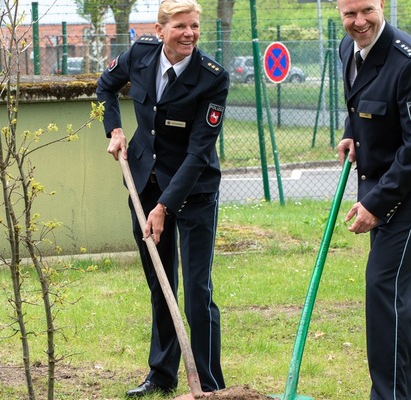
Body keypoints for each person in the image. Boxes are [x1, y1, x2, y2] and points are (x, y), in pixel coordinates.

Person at [95, 0, 228, 396]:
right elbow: (105, 87)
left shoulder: (211, 78)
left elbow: (199, 151)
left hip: (193, 190)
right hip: (144, 182)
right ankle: (162, 374)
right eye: (180, 27)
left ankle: (207, 382)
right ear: (160, 29)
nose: (189, 34)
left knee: (197, 290)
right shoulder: (139, 55)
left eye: (195, 27)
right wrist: (114, 130)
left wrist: (165, 207)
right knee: (160, 282)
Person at [335, 0, 411, 399]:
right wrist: (351, 131)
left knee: (384, 289)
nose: (358, 22)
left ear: (382, 5)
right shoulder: (347, 48)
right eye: (349, 14)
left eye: (366, 10)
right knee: (404, 290)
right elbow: (361, 102)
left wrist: (375, 204)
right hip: (382, 187)